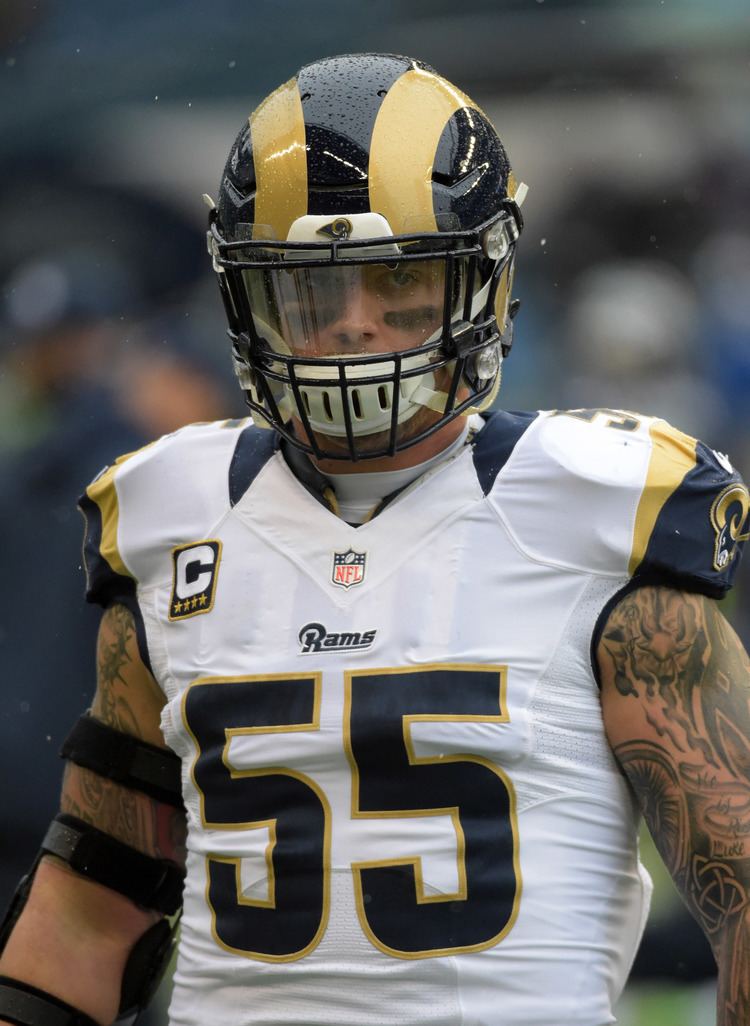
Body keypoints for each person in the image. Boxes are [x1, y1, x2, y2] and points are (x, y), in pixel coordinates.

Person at [0, 52, 748, 1026]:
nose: (354, 326)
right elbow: (94, 909)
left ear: (479, 280)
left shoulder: (599, 512)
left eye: (398, 284)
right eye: (313, 291)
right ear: (245, 299)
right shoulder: (169, 520)